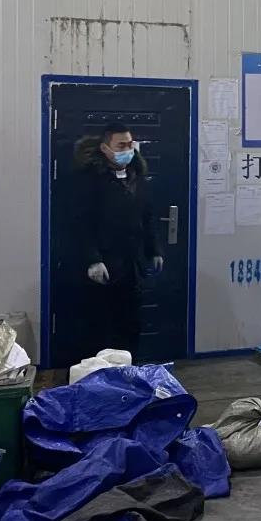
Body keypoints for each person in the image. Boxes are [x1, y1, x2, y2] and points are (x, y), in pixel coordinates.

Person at [72, 122, 162, 356]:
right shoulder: (90, 180)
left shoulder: (137, 176)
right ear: (105, 148)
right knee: (102, 327)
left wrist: (154, 250)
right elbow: (81, 223)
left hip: (133, 265)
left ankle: (129, 368)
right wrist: (93, 259)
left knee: (131, 324)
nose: (127, 150)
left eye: (130, 144)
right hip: (105, 265)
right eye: (121, 145)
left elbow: (147, 217)